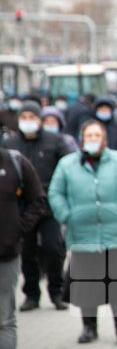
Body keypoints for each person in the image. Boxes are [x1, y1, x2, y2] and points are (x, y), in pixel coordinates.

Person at [48, 120, 117, 345]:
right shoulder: (67, 164)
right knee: (87, 286)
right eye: (88, 135)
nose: (92, 139)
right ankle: (89, 328)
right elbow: (55, 192)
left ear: (104, 139)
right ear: (81, 139)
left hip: (114, 235)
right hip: (82, 236)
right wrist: (67, 215)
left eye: (96, 135)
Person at [1, 101, 71, 312]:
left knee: (53, 248)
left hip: (49, 207)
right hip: (22, 210)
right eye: (25, 117)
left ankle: (56, 291)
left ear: (40, 119)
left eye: (33, 117)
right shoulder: (11, 144)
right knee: (27, 253)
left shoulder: (55, 141)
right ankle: (31, 294)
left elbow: (67, 170)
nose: (28, 122)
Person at [0, 147, 46, 349]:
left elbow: (37, 198)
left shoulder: (14, 161)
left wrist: (18, 230)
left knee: (4, 320)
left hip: (6, 254)